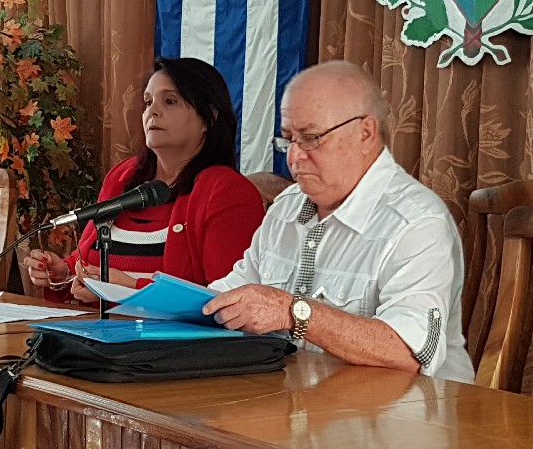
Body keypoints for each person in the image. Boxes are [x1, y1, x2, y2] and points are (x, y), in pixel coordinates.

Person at [203, 60, 474, 383]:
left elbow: (410, 353)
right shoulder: (285, 207)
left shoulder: (417, 223)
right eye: (289, 139)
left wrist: (293, 312)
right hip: (299, 401)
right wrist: (164, 304)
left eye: (311, 138)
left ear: (365, 133)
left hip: (405, 410)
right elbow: (229, 295)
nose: (294, 156)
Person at [23, 57, 265, 304]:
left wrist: (131, 289)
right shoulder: (122, 176)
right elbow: (88, 262)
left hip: (169, 331)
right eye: (148, 102)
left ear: (208, 117)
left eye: (170, 101)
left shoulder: (229, 192)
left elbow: (227, 300)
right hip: (96, 324)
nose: (152, 111)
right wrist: (64, 273)